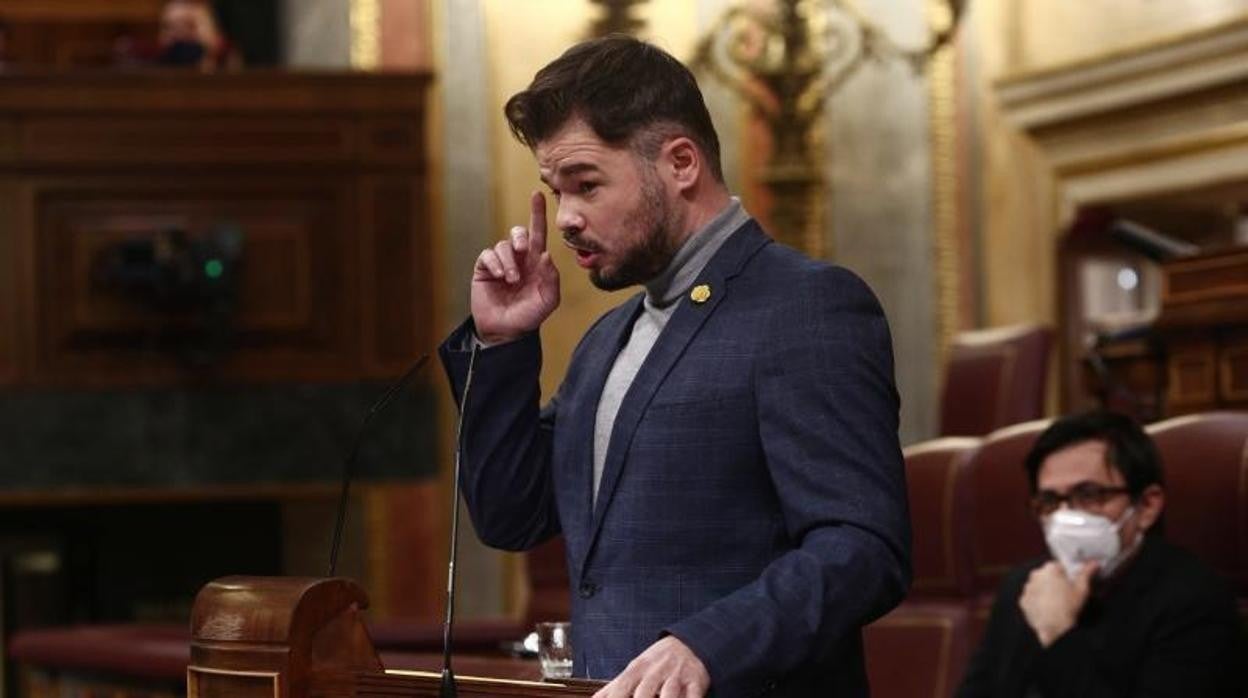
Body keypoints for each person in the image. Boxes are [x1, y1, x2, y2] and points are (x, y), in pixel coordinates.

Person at [438, 35, 910, 698]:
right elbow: (512, 515)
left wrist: (707, 646)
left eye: (587, 184)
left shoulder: (807, 306)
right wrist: (500, 344)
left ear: (680, 163)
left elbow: (862, 548)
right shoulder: (607, 338)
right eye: (555, 190)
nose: (567, 218)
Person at [956, 411, 1243, 697]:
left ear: (1146, 506)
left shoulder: (1194, 602)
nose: (1065, 515)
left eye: (1090, 495)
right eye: (1050, 501)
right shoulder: (1023, 586)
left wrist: (1058, 635)